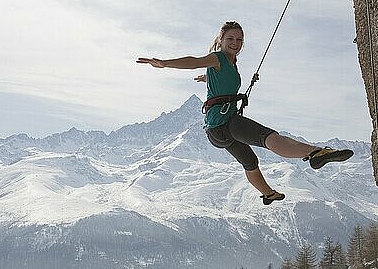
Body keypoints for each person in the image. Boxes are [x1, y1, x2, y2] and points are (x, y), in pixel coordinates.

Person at [137, 21, 353, 205]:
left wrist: (207, 79)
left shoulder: (229, 63)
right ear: (221, 39)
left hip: (216, 132)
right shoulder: (217, 58)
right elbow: (194, 61)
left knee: (250, 162)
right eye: (231, 38)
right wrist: (164, 63)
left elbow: (217, 79)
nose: (235, 43)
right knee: (268, 137)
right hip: (225, 123)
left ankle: (267, 194)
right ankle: (315, 153)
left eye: (239, 40)